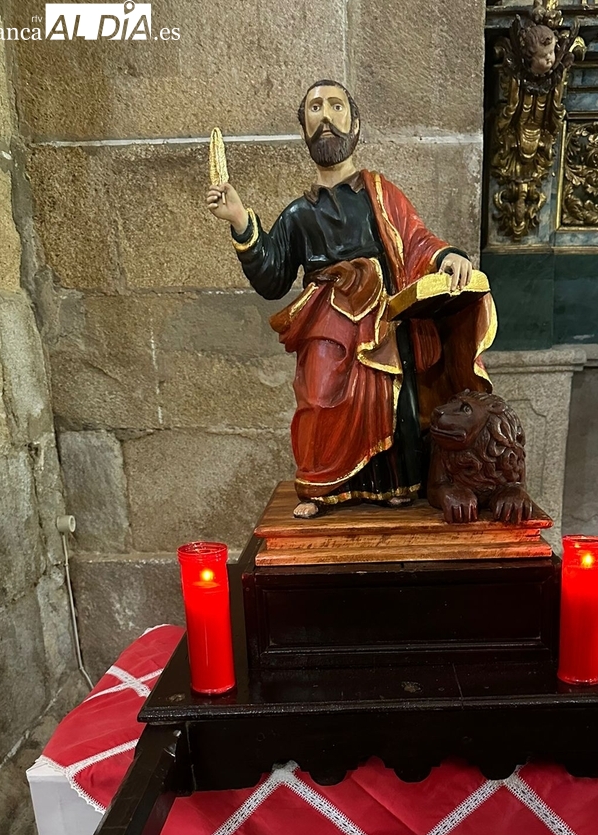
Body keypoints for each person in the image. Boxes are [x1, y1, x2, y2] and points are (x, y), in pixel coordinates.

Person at [206, 79, 495, 518]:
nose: (325, 115)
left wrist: (447, 256)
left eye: (336, 106)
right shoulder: (299, 213)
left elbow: (416, 240)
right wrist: (241, 220)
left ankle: (397, 483)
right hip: (325, 322)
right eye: (315, 108)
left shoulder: (381, 194)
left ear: (355, 124)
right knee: (318, 398)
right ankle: (321, 487)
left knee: (390, 400)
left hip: (381, 320)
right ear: (303, 129)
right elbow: (272, 277)